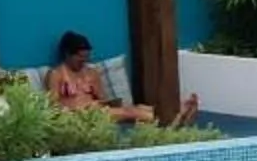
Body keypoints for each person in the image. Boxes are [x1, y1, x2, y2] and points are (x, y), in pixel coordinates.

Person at [45, 30, 199, 126]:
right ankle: (171, 119)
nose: (84, 62)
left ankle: (178, 109)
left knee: (136, 107)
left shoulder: (91, 73)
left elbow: (102, 99)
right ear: (67, 54)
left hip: (98, 110)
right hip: (79, 116)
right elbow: (53, 107)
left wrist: (106, 103)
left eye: (86, 58)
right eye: (80, 58)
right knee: (128, 113)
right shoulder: (56, 74)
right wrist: (76, 111)